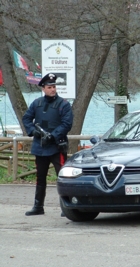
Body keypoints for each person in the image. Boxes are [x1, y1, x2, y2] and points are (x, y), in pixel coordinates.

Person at [22, 73, 73, 216]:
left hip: (57, 146)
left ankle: (67, 207)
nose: (53, 89)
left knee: (63, 177)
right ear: (43, 88)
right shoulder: (36, 103)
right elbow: (26, 118)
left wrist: (53, 135)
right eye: (50, 87)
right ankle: (38, 206)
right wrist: (33, 131)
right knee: (40, 177)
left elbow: (67, 124)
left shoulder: (64, 104)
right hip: (40, 147)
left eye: (54, 87)